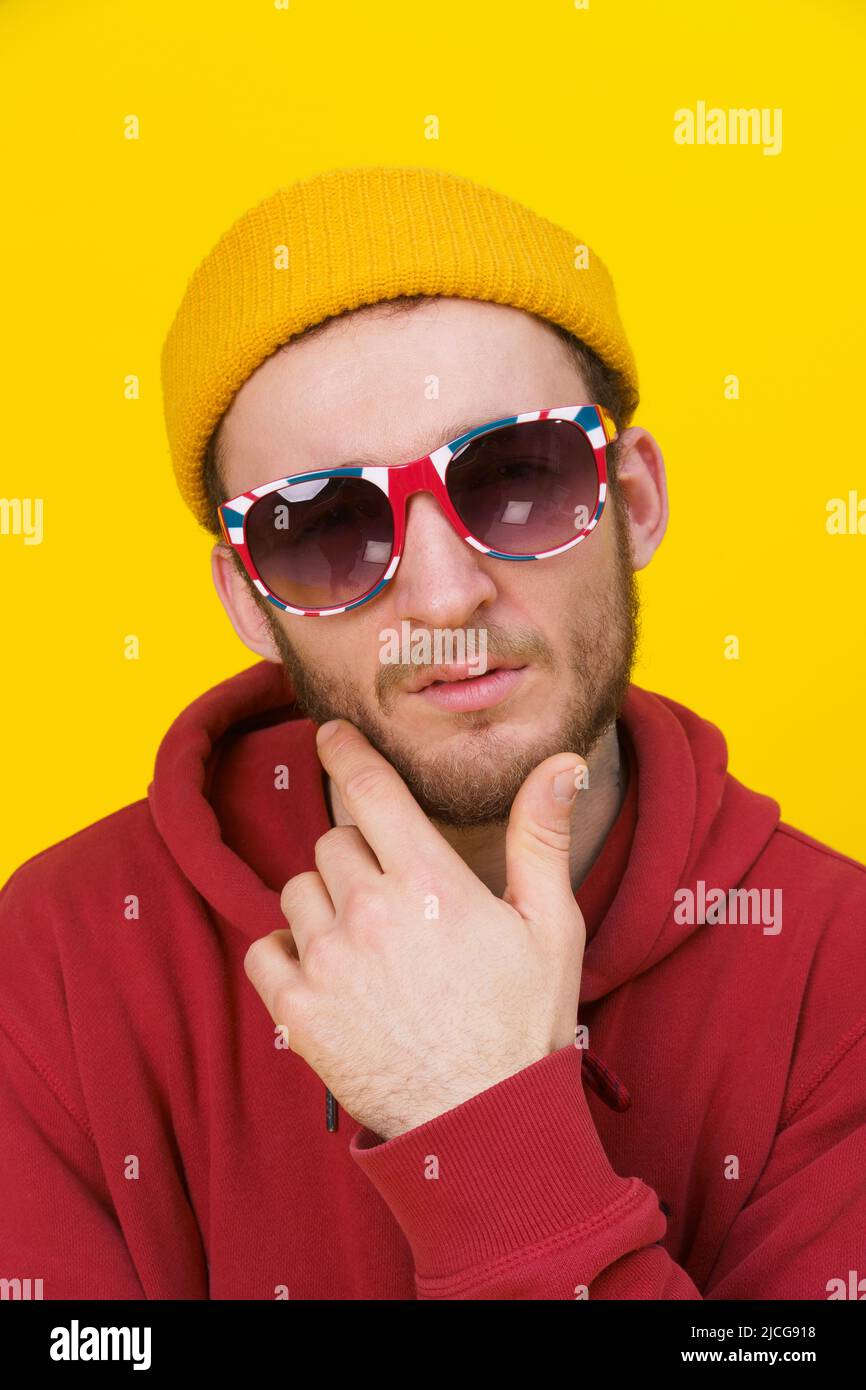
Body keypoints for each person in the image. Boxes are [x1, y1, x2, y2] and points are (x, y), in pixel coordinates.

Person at [2, 165, 864, 1302]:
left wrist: (478, 1118)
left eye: (516, 478)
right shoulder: (60, 955)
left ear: (636, 501)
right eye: (326, 526)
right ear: (248, 599)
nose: (446, 594)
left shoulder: (835, 971)